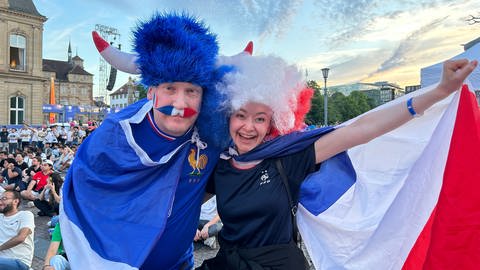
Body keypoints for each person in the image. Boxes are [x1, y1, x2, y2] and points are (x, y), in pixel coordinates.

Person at [198, 52, 477, 269]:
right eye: (241, 115)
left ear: (274, 121)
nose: (249, 127)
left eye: (260, 118)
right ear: (225, 115)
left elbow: (361, 130)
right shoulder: (218, 166)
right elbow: (175, 202)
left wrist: (439, 92)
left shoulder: (287, 159)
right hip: (227, 263)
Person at [60, 12, 237, 270]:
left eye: (191, 91)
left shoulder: (214, 132)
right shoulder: (116, 133)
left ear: (203, 96)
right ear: (152, 92)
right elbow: (83, 189)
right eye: (170, 89)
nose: (180, 103)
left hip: (180, 264)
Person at [0, 190, 35, 270]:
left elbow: (21, 237)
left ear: (15, 201)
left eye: (4, 199)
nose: (0, 202)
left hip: (18, 261)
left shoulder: (25, 215)